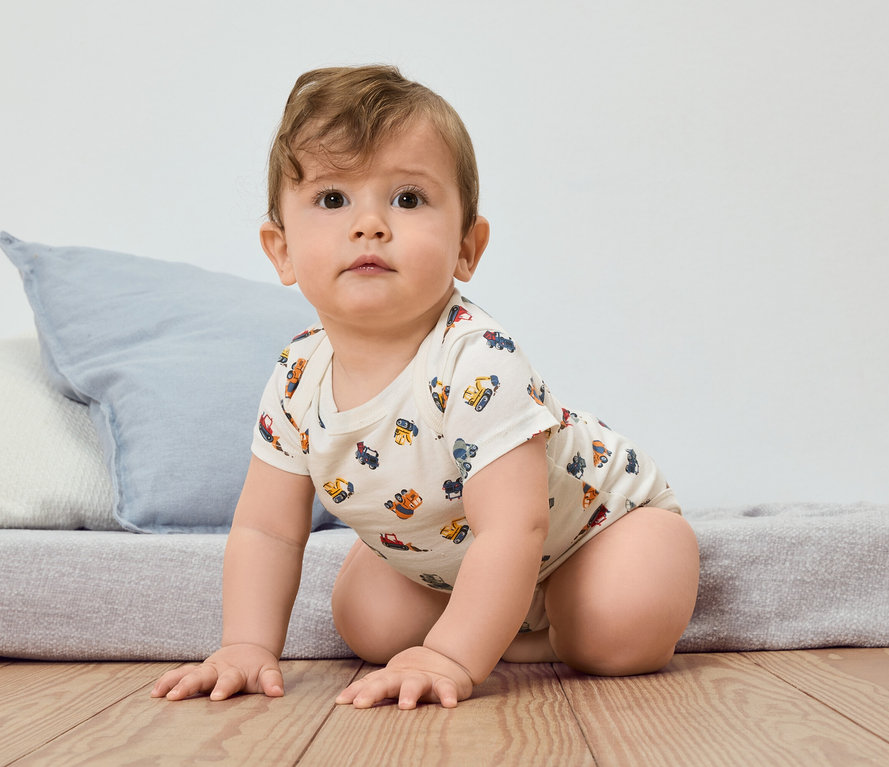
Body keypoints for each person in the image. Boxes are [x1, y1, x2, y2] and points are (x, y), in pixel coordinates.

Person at [151, 64, 699, 710]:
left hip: (596, 529)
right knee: (368, 621)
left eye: (407, 199)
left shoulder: (477, 361)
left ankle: (529, 624)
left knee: (616, 634)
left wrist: (449, 655)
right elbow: (267, 530)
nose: (370, 225)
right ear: (282, 250)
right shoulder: (297, 376)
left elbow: (514, 529)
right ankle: (507, 621)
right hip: (457, 560)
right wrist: (245, 644)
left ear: (468, 247)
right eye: (333, 199)